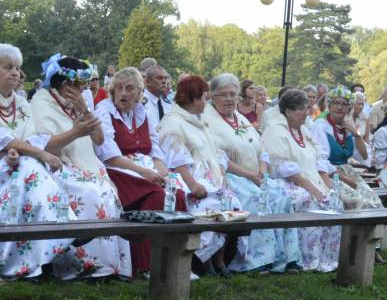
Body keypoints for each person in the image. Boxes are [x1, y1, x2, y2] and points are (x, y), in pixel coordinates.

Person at [0, 43, 74, 279]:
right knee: (33, 168)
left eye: (17, 68)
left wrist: (22, 150)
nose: (15, 73)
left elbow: (29, 136)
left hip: (19, 159)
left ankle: (43, 254)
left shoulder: (21, 101)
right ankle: (62, 231)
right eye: (8, 67)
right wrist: (33, 152)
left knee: (42, 170)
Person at [26, 54, 131, 280]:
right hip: (57, 167)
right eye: (78, 85)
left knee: (109, 194)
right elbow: (45, 146)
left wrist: (84, 108)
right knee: (90, 194)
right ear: (65, 84)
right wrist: (74, 132)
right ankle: (85, 266)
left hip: (88, 166)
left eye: (83, 85)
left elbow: (100, 139)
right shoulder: (41, 101)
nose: (83, 88)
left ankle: (110, 266)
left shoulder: (79, 103)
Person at [95, 66, 188, 275]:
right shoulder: (104, 110)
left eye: (129, 89)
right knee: (156, 197)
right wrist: (146, 173)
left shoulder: (142, 112)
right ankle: (148, 266)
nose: (123, 93)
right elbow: (109, 155)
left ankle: (175, 263)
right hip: (118, 171)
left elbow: (155, 149)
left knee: (177, 194)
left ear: (139, 93)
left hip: (145, 169)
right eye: (118, 88)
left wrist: (162, 170)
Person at [202, 73, 292, 273]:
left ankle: (284, 258)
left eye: (232, 94)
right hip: (230, 177)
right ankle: (254, 261)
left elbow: (262, 149)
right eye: (223, 94)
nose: (229, 99)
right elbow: (219, 158)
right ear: (212, 96)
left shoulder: (240, 118)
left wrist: (261, 171)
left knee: (281, 194)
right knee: (256, 198)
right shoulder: (207, 120)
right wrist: (250, 176)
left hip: (256, 176)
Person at [156, 75, 239, 273]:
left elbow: (215, 151)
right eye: (204, 97)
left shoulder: (198, 120)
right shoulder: (173, 123)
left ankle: (219, 260)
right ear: (194, 100)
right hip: (186, 180)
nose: (207, 101)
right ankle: (203, 260)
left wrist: (219, 173)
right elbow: (177, 161)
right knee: (212, 205)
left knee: (231, 202)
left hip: (207, 177)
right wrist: (193, 185)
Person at [261, 88, 341, 272]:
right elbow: (284, 168)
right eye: (302, 109)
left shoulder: (304, 131)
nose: (307, 113)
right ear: (288, 111)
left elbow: (319, 158)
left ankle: (327, 259)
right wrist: (313, 189)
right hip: (288, 183)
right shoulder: (275, 131)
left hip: (311, 180)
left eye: (307, 108)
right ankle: (306, 259)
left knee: (334, 201)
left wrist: (327, 184)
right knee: (308, 200)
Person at [311, 86, 383, 213]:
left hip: (347, 171)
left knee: (374, 201)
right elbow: (320, 161)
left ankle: (370, 233)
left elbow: (364, 157)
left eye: (344, 104)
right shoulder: (321, 126)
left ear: (349, 108)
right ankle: (350, 232)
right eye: (336, 103)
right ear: (330, 105)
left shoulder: (348, 128)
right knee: (358, 201)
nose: (339, 107)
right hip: (329, 174)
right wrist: (345, 179)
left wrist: (356, 134)